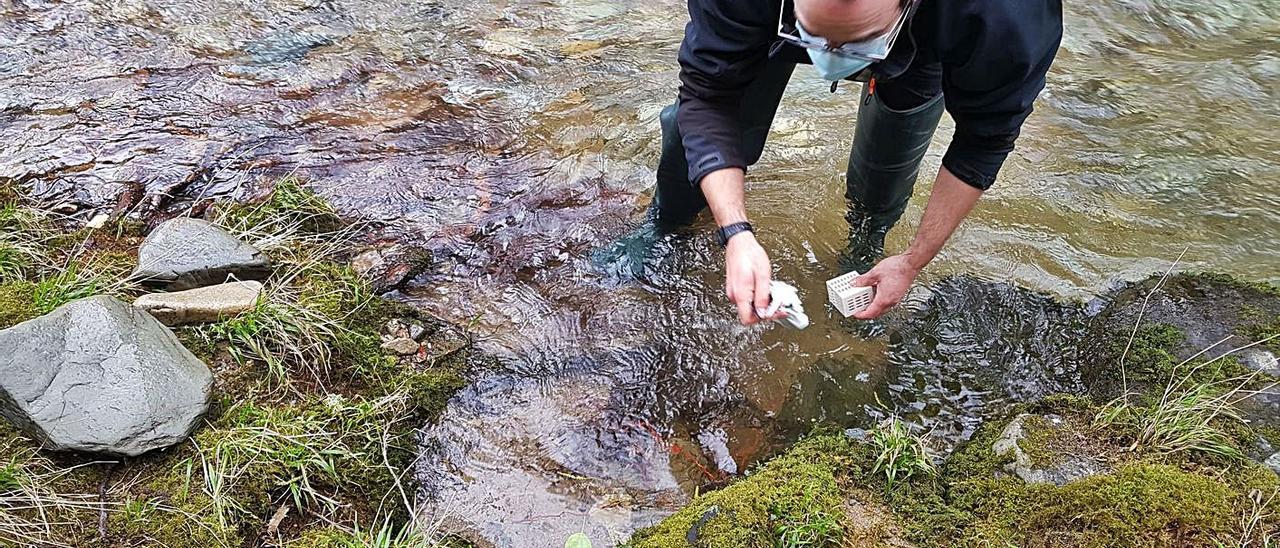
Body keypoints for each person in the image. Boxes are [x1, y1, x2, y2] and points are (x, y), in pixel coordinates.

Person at [602, 0, 1062, 326]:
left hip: (920, 42)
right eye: (818, 39)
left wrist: (915, 260)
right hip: (772, 18)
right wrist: (736, 233)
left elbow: (985, 139)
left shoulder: (1000, 16)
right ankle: (665, 227)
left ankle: (869, 239)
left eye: (853, 42)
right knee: (701, 128)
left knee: (891, 154)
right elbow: (707, 94)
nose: (830, 59)